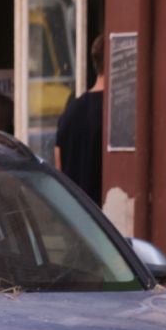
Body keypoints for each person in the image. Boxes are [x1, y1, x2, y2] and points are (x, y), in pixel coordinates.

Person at [54, 36, 107, 205]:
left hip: (77, 219)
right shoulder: (116, 114)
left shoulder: (70, 113)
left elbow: (59, 169)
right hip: (106, 220)